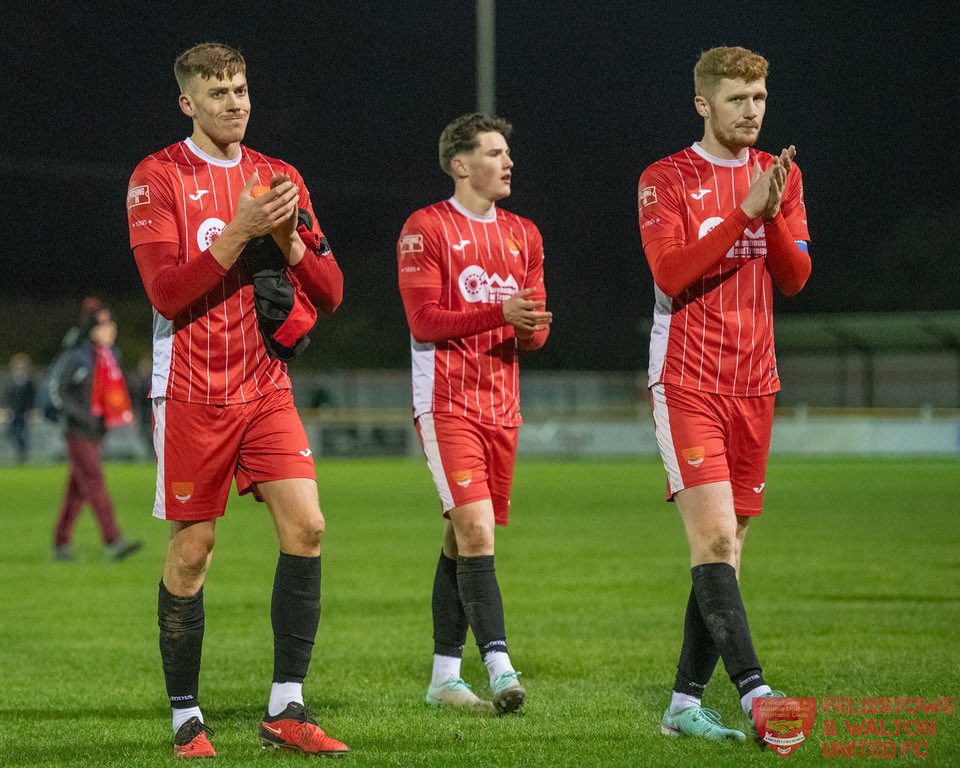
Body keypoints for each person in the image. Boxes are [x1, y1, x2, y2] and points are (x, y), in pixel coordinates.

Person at [126, 43, 347, 758]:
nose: (235, 103)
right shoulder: (157, 178)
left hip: (264, 385)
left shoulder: (280, 177)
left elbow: (332, 290)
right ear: (188, 103)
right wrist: (240, 234)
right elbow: (166, 293)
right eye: (218, 92)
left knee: (308, 526)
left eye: (242, 89)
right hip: (191, 389)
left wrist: (287, 241)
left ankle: (287, 706)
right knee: (193, 552)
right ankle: (186, 716)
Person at [637, 46, 811, 744]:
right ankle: (756, 694)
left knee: (726, 552)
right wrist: (744, 213)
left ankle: (682, 705)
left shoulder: (780, 177)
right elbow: (670, 272)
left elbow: (794, 278)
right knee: (712, 538)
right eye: (738, 98)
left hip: (755, 382)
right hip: (688, 379)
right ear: (703, 103)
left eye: (760, 97)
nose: (752, 110)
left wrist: (771, 213)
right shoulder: (665, 179)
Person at [397, 113, 551, 715]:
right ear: (460, 165)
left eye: (507, 152)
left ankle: (443, 679)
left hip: (502, 406)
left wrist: (530, 329)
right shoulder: (426, 227)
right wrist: (501, 315)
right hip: (446, 403)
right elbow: (423, 322)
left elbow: (533, 331)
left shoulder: (525, 234)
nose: (507, 162)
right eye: (493, 153)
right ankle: (499, 666)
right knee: (478, 532)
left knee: (462, 541)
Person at [52, 301, 143, 562]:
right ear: (91, 330)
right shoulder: (77, 356)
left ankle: (61, 543)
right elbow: (58, 390)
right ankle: (113, 540)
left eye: (110, 324)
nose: (109, 329)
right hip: (78, 431)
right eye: (102, 326)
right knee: (94, 483)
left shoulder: (109, 356)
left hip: (96, 432)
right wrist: (82, 418)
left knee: (76, 490)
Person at [4, 353, 35, 463]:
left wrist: (30, 410)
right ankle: (20, 452)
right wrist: (6, 410)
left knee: (23, 434)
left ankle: (22, 455)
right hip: (13, 412)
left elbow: (31, 398)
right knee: (12, 433)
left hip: (23, 412)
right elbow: (7, 397)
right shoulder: (11, 381)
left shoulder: (28, 382)